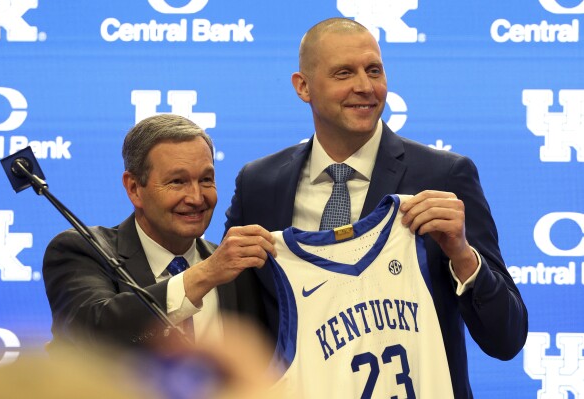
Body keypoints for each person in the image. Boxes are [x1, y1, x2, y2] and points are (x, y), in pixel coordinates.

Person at [224, 18, 528, 398]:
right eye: (343, 73)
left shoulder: (444, 176)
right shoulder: (258, 183)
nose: (365, 87)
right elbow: (234, 330)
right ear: (303, 87)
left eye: (374, 70)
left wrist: (463, 256)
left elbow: (507, 339)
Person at [43, 114, 275, 351]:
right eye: (177, 181)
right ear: (134, 188)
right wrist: (206, 274)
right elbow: (93, 334)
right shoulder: (82, 251)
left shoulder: (240, 272)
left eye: (206, 179)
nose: (196, 198)